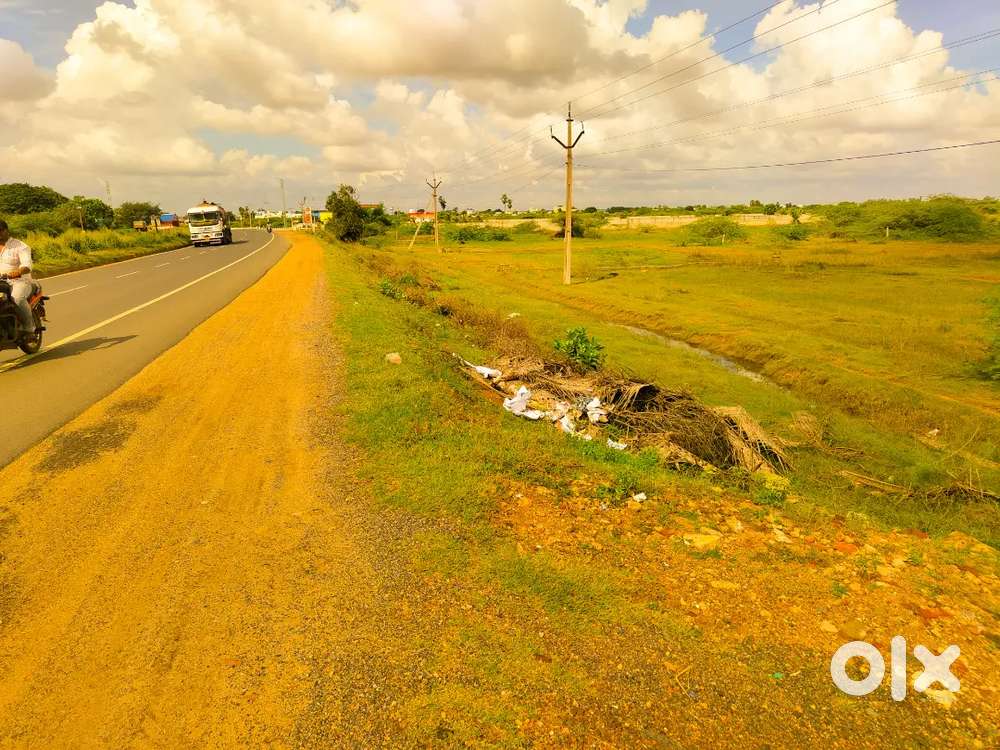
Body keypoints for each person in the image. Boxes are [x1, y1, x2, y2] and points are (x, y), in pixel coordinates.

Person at [0, 219, 36, 336]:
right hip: (1, 283)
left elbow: (27, 266)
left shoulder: (20, 246)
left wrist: (14, 273)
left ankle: (29, 328)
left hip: (19, 281)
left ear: (6, 230)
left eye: (0, 231)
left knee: (17, 298)